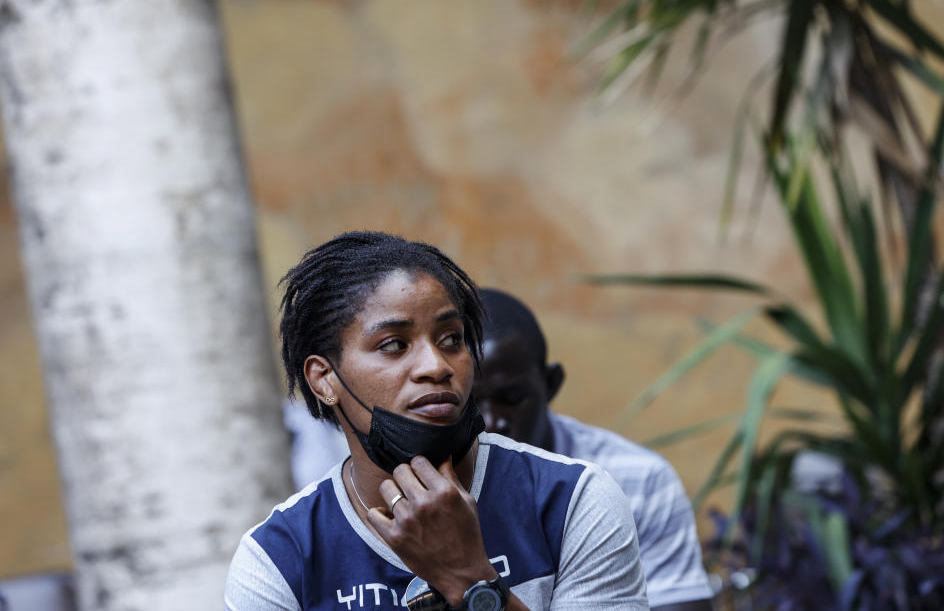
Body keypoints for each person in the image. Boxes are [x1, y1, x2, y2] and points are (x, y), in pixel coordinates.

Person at [225, 232, 648, 610]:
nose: (436, 365)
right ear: (324, 379)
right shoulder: (278, 560)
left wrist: (469, 580)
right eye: (393, 345)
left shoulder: (573, 501)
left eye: (451, 340)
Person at [474, 289, 714, 611]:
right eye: (471, 404)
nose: (492, 421)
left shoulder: (639, 481)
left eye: (512, 398)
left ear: (551, 383)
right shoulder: (421, 486)